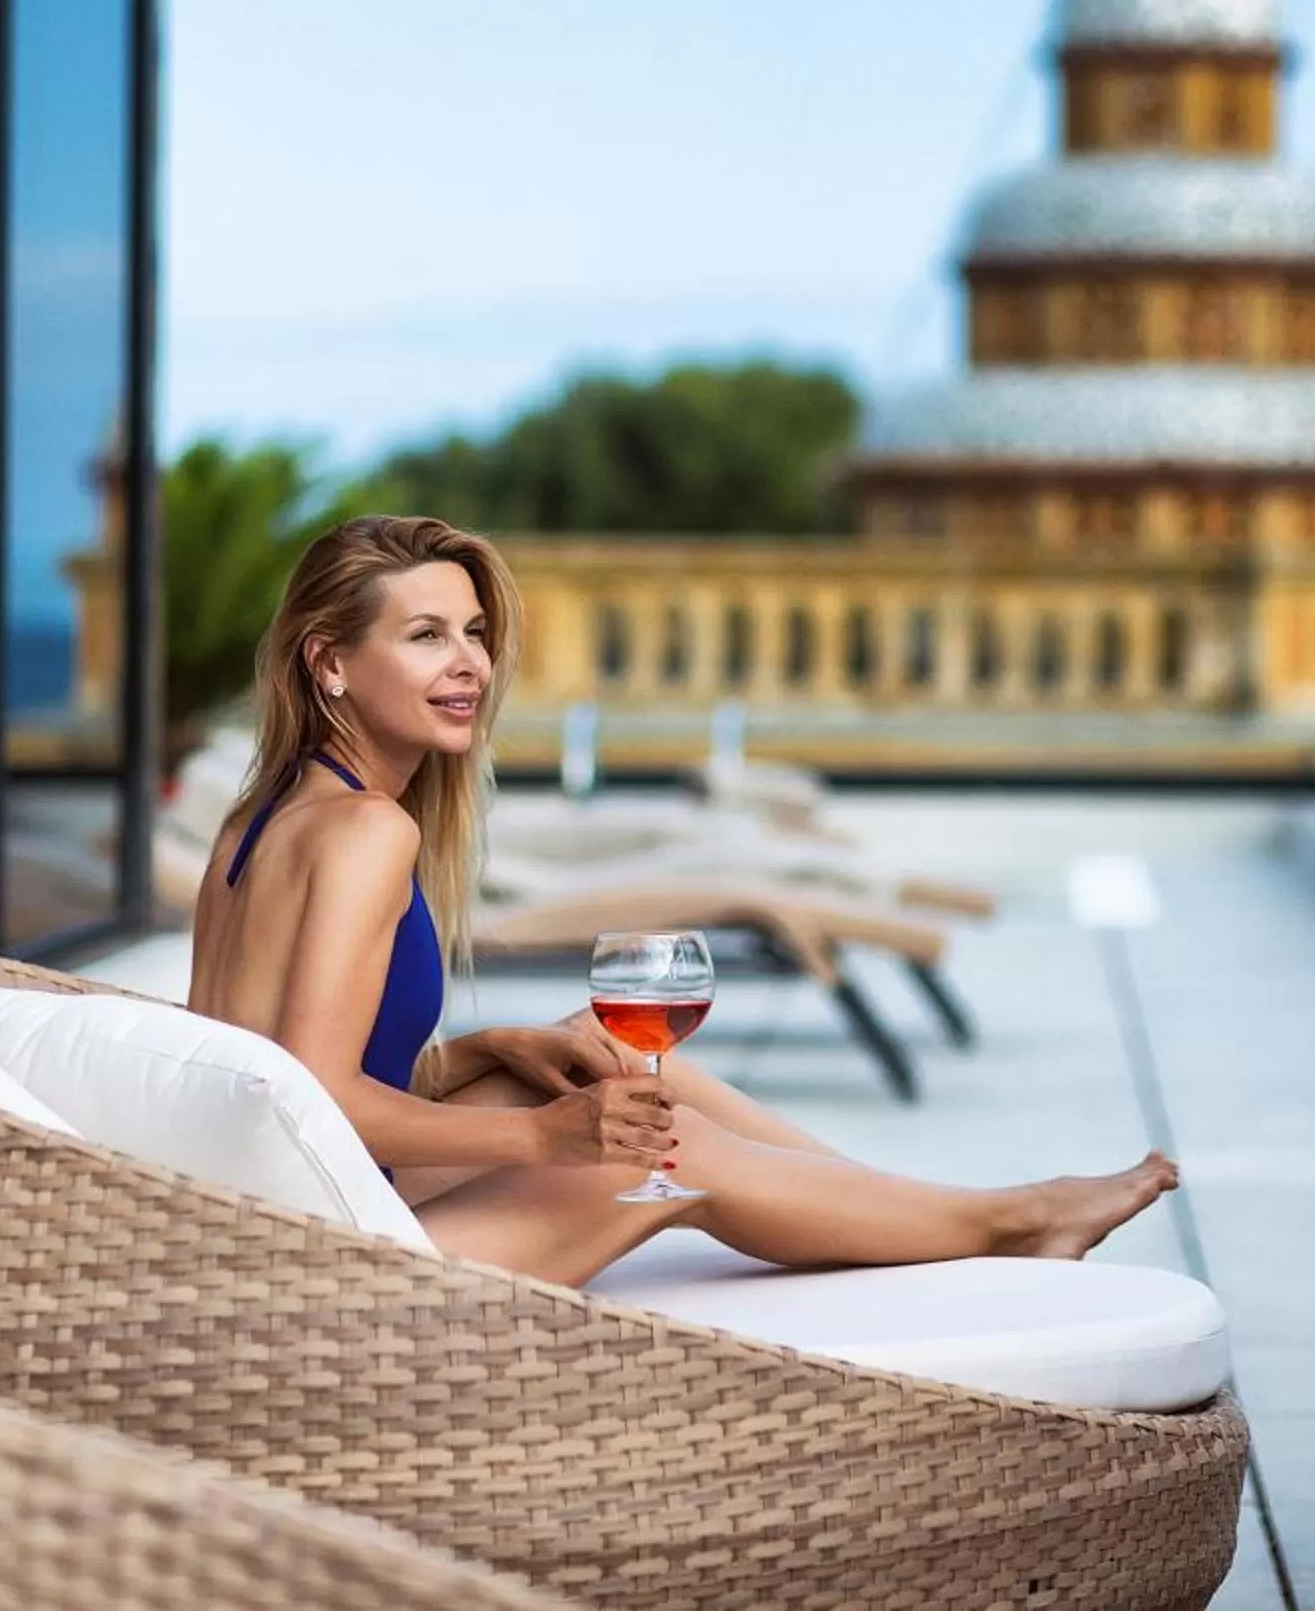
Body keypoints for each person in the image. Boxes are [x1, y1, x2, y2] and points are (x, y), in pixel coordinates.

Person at [190, 512, 1177, 1286]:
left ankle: (918, 1220)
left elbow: (264, 1068)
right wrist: (539, 1136)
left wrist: (487, 1054)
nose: (469, 665)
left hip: (284, 1207)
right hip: (330, 1260)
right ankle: (1005, 1227)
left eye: (475, 635)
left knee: (636, 1074)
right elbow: (313, 1095)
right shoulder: (369, 832)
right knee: (665, 1146)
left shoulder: (258, 822)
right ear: (328, 664)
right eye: (425, 636)